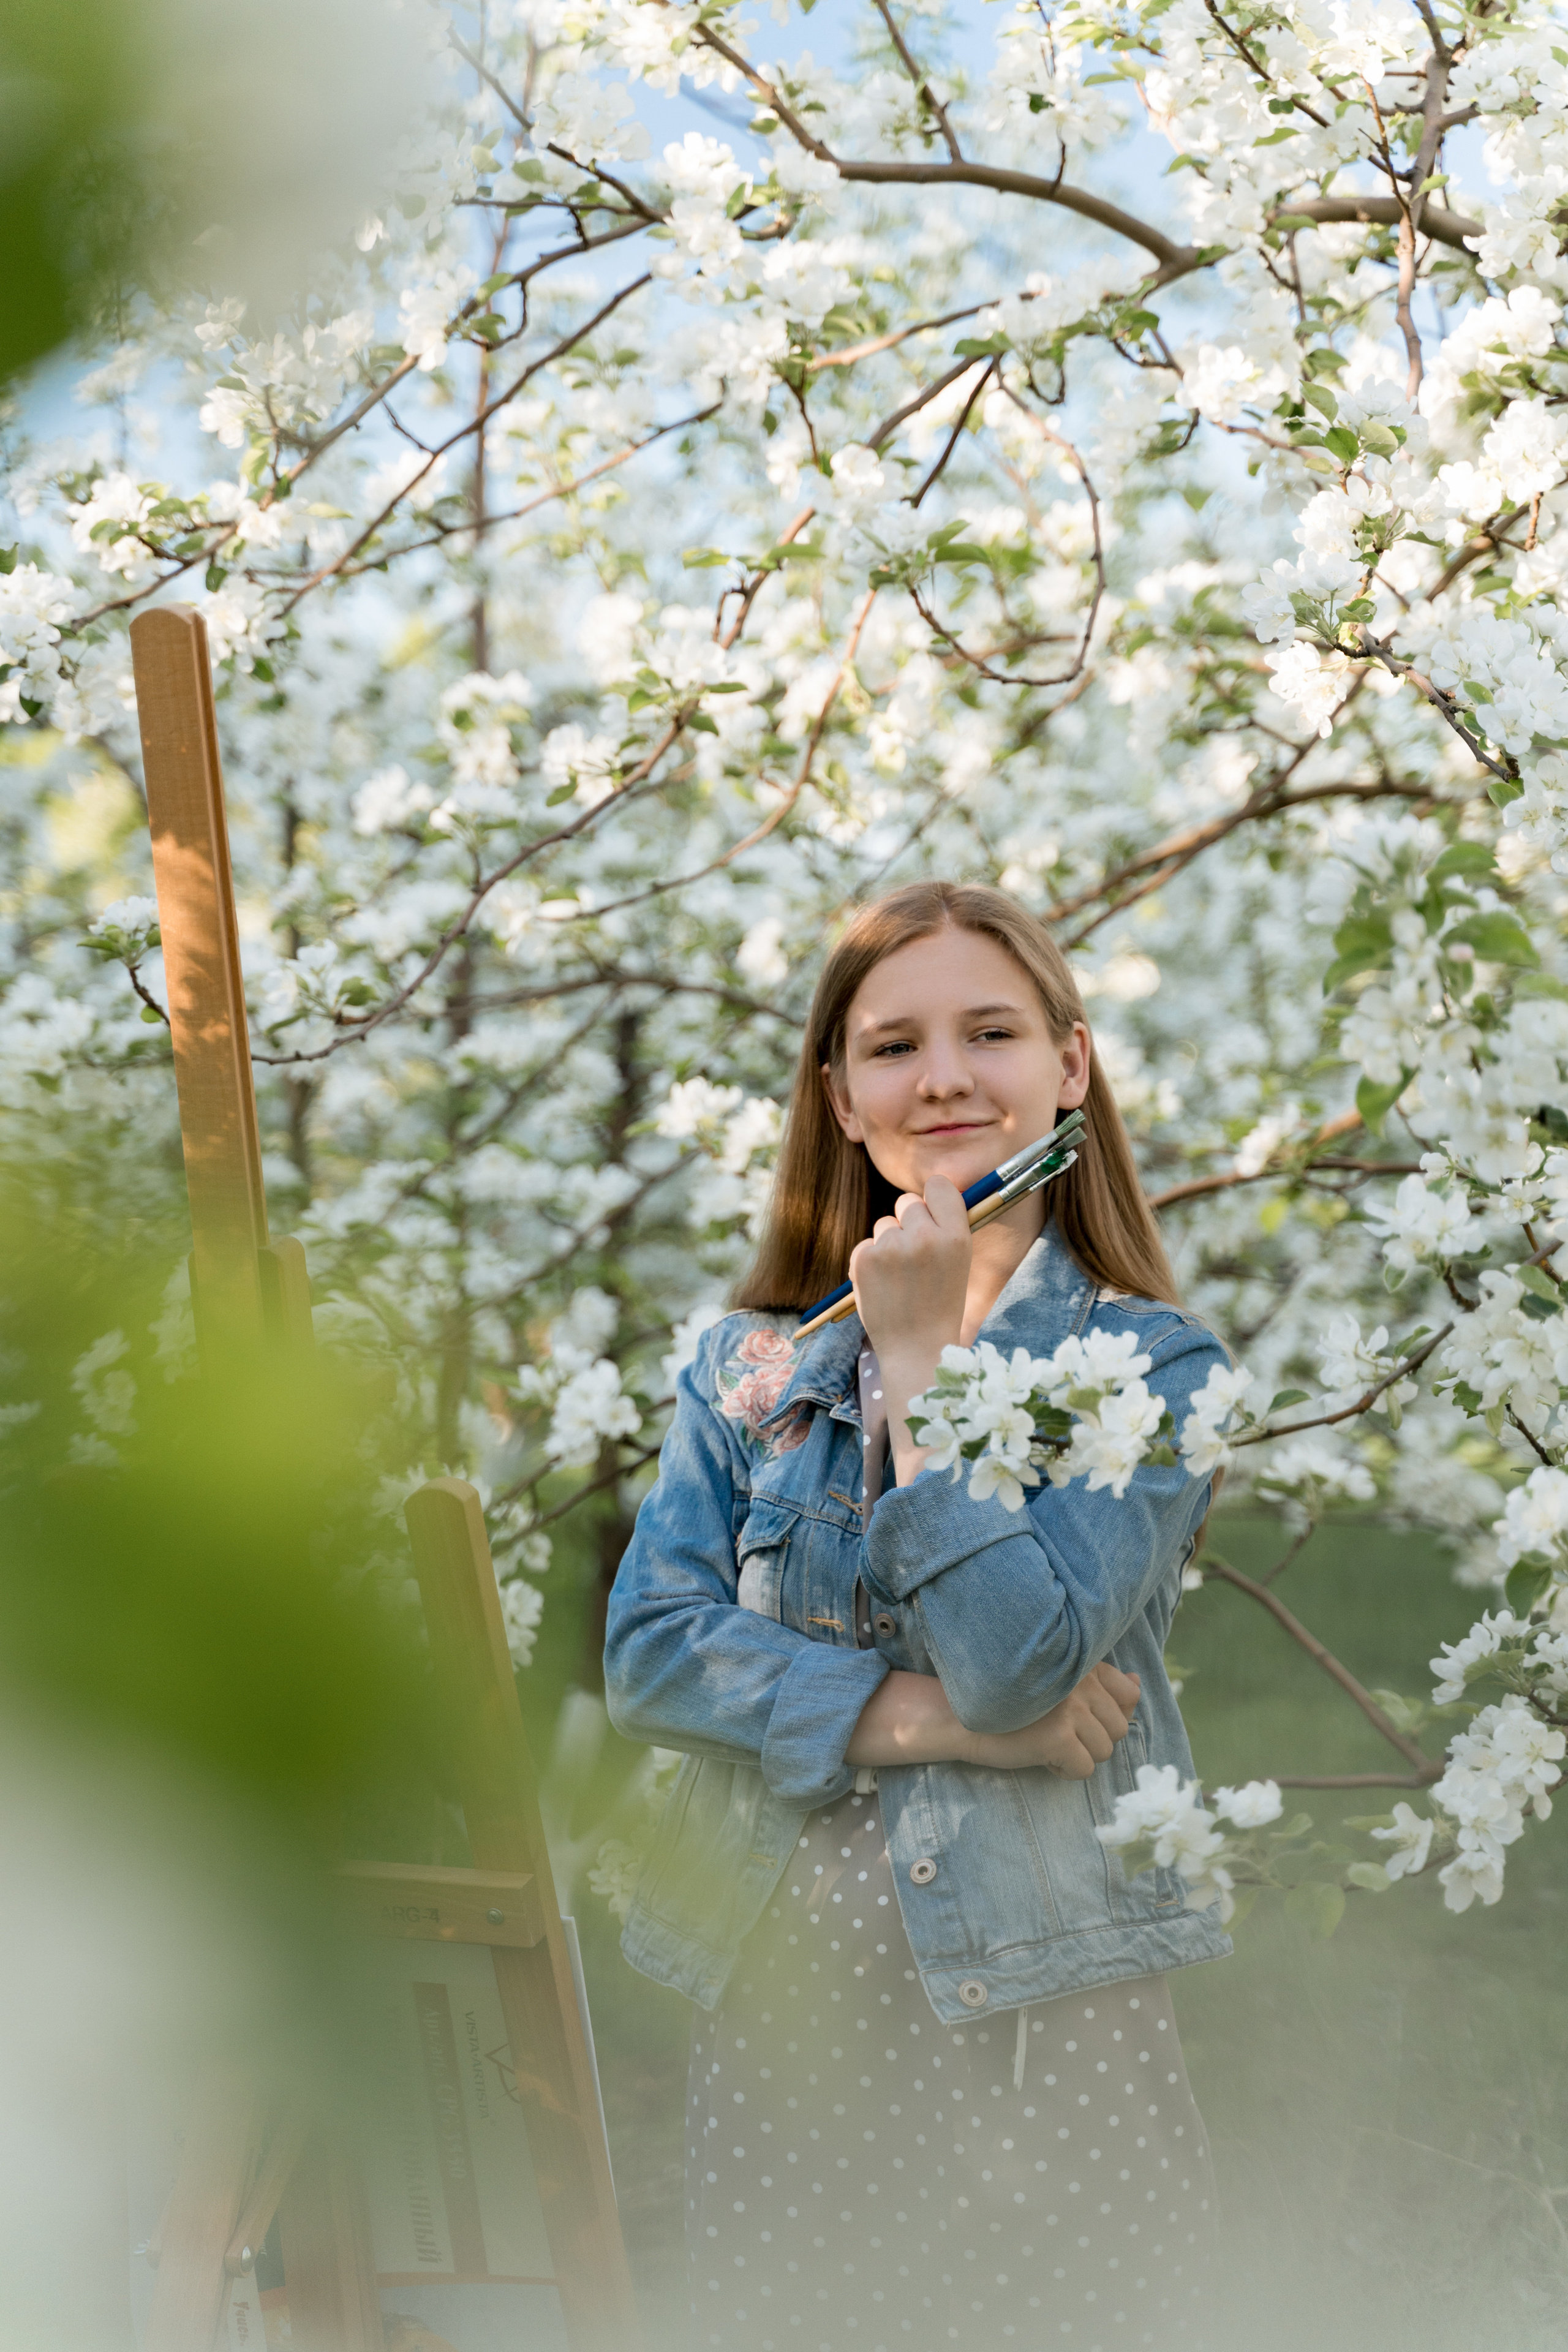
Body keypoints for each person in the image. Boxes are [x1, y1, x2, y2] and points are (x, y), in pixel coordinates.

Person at [605, 881, 1231, 2352]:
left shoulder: (1152, 1368)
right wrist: (935, 1726)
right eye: (891, 1045)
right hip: (790, 1997)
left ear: (1067, 1068)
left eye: (989, 1032)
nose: (940, 1075)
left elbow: (1025, 1659)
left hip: (1042, 1993)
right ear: (837, 1094)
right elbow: (648, 1652)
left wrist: (922, 1369)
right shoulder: (749, 1370)